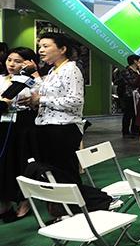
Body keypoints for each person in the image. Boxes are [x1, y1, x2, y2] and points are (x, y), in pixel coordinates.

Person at [29, 32, 113, 211]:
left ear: (62, 49)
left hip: (63, 129)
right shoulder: (52, 70)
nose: (40, 50)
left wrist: (41, 100)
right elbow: (45, 93)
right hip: (46, 127)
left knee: (65, 175)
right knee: (54, 175)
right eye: (40, 46)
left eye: (46, 46)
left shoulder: (71, 70)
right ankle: (65, 210)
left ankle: (100, 201)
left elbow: (75, 101)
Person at [0, 47, 39, 221]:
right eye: (9, 59)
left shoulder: (33, 81)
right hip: (3, 125)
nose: (11, 64)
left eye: (18, 61)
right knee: (4, 164)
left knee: (22, 162)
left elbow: (38, 99)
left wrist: (32, 75)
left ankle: (25, 202)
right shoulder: (1, 79)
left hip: (24, 126)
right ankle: (5, 202)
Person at [115, 54, 140, 137]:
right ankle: (125, 131)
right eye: (139, 61)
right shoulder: (126, 71)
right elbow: (132, 82)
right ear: (134, 61)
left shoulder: (138, 71)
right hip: (128, 95)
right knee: (128, 113)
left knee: (136, 113)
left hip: (137, 95)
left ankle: (135, 130)